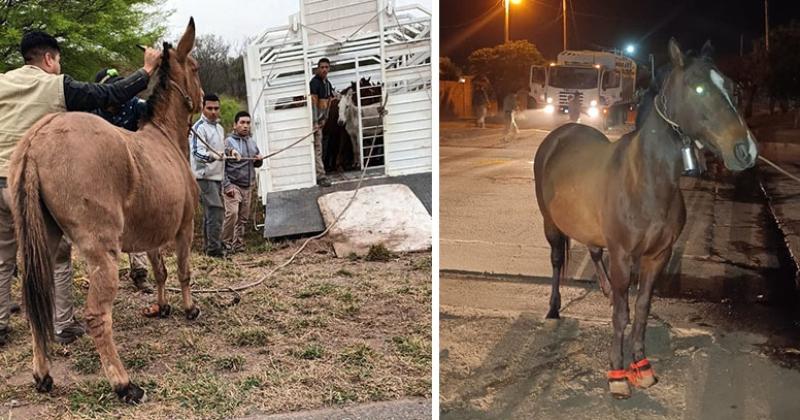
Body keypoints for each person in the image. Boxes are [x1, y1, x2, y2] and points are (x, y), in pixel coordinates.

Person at [0, 31, 161, 345]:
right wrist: (147, 70)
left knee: (2, 256)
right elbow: (108, 94)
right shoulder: (55, 86)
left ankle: (1, 325)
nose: (59, 67)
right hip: (32, 185)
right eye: (58, 61)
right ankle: (62, 325)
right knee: (58, 255)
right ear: (49, 58)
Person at [91, 67, 151, 292]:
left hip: (133, 171)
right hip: (103, 173)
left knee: (136, 218)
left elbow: (156, 117)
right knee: (103, 224)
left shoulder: (136, 105)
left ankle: (140, 272)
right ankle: (103, 273)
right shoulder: (93, 110)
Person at [190, 93, 227, 258]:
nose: (213, 112)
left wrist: (230, 152)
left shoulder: (219, 128)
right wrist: (212, 156)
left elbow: (222, 149)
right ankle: (214, 248)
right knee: (216, 210)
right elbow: (197, 153)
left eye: (216, 108)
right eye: (209, 108)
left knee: (210, 214)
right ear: (203, 108)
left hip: (217, 176)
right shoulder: (198, 128)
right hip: (203, 176)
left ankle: (209, 246)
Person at [222, 111, 263, 253]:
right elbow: (221, 167)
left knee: (243, 218)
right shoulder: (228, 142)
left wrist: (259, 160)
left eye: (248, 123)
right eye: (242, 123)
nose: (245, 126)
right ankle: (225, 244)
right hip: (233, 185)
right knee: (232, 213)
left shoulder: (252, 142)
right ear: (235, 125)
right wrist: (227, 185)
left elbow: (256, 163)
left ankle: (238, 245)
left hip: (248, 186)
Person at [309, 58, 334, 187]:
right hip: (315, 123)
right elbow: (313, 104)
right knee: (317, 149)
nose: (324, 69)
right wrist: (314, 122)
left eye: (326, 67)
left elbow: (328, 104)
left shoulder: (328, 84)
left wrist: (324, 119)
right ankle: (320, 176)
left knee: (319, 148)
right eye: (322, 67)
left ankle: (319, 172)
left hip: (320, 122)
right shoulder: (314, 83)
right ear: (318, 68)